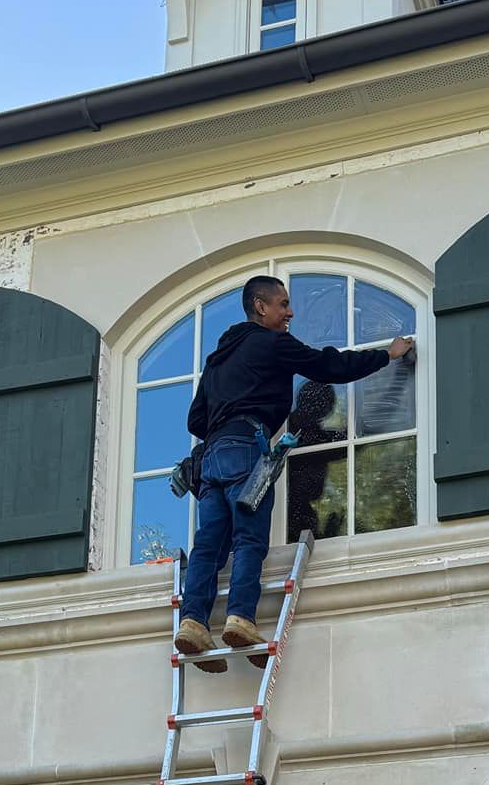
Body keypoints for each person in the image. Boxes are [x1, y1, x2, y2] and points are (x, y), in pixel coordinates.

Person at [175, 275, 415, 668]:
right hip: (245, 451)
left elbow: (195, 419)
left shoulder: (217, 359)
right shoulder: (271, 343)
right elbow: (327, 365)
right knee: (249, 539)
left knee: (209, 545)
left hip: (211, 459)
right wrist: (386, 355)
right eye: (283, 304)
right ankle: (240, 618)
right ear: (260, 307)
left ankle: (193, 623)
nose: (290, 312)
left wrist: (229, 413)